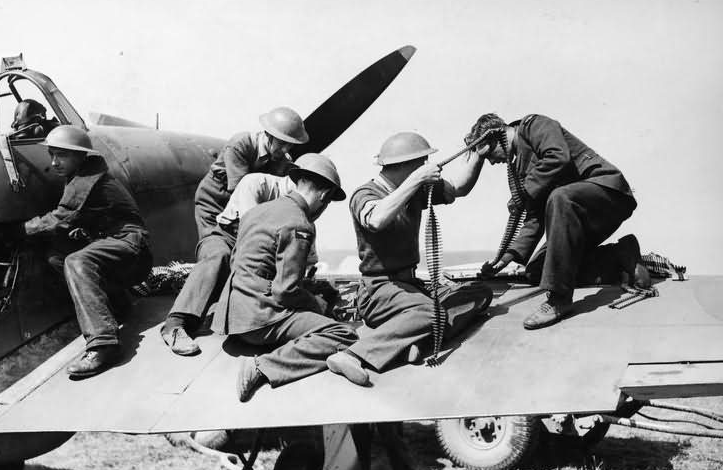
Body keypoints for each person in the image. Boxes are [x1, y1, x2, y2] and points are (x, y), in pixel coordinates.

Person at [325, 132, 494, 386]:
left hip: (409, 286)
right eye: (422, 162)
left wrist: (478, 156)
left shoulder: (414, 189)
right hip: (379, 291)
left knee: (480, 294)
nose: (426, 166)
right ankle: (352, 355)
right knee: (434, 314)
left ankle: (412, 341)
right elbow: (377, 219)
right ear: (406, 165)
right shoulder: (365, 193)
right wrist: (415, 181)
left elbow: (458, 188)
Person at [466, 113, 649, 330]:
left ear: (496, 137)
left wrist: (523, 193)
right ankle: (619, 256)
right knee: (537, 271)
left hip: (608, 196)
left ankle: (559, 299)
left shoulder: (533, 125)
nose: (493, 162)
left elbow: (558, 157)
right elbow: (534, 218)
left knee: (560, 197)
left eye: (489, 156)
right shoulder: (521, 167)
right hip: (577, 217)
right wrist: (504, 259)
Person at [161, 107, 309, 357]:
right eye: (282, 144)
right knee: (217, 253)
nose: (285, 150)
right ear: (268, 135)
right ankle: (176, 324)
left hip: (246, 216)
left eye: (290, 146)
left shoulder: (282, 162)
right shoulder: (240, 145)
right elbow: (242, 192)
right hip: (215, 210)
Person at [211, 153, 358, 402]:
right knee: (343, 334)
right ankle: (263, 367)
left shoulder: (259, 211)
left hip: (231, 314)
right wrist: (317, 305)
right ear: (323, 196)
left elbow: (242, 262)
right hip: (257, 317)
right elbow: (285, 291)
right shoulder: (299, 223)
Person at [24, 125, 152, 378]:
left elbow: (60, 217)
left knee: (76, 261)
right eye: (52, 154)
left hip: (131, 246)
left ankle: (104, 344)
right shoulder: (81, 173)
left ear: (80, 156)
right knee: (57, 258)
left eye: (62, 155)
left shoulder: (86, 179)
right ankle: (117, 304)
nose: (54, 162)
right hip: (115, 243)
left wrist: (23, 229)